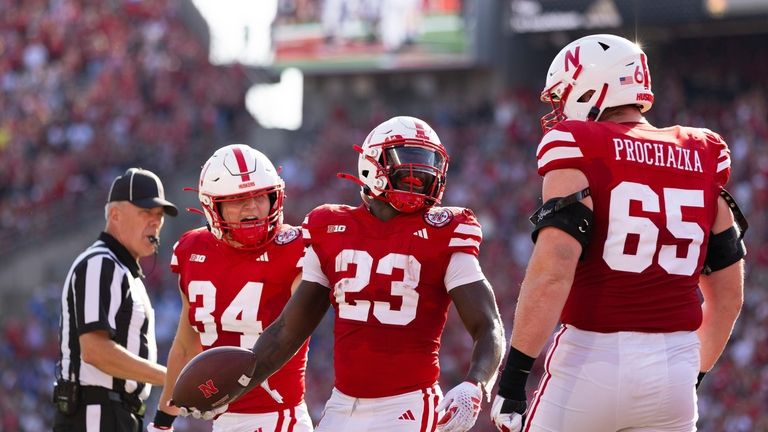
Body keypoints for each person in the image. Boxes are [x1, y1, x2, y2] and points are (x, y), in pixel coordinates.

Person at [490, 34, 747, 432]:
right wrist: (689, 377)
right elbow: (728, 297)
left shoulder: (578, 143)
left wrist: (514, 376)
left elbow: (553, 269)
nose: (559, 112)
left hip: (594, 358)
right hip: (674, 366)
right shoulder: (702, 151)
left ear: (593, 87)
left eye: (562, 97)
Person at [183, 116, 506, 431]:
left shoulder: (444, 230)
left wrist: (475, 384)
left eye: (427, 163)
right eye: (408, 160)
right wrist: (233, 390)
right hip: (341, 407)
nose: (419, 174)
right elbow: (287, 332)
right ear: (371, 166)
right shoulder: (331, 228)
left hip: (407, 406)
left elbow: (488, 324)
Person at [148, 144, 313, 431]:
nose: (253, 207)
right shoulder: (191, 250)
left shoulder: (296, 247)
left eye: (261, 196)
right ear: (213, 206)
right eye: (238, 200)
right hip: (225, 421)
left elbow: (292, 331)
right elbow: (187, 346)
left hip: (278, 418)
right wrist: (163, 421)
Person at [54, 168, 178, 432]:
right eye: (146, 212)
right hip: (96, 413)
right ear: (115, 215)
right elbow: (95, 351)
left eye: (159, 215)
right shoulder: (101, 263)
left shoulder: (122, 270)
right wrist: (169, 377)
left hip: (115, 413)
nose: (155, 221)